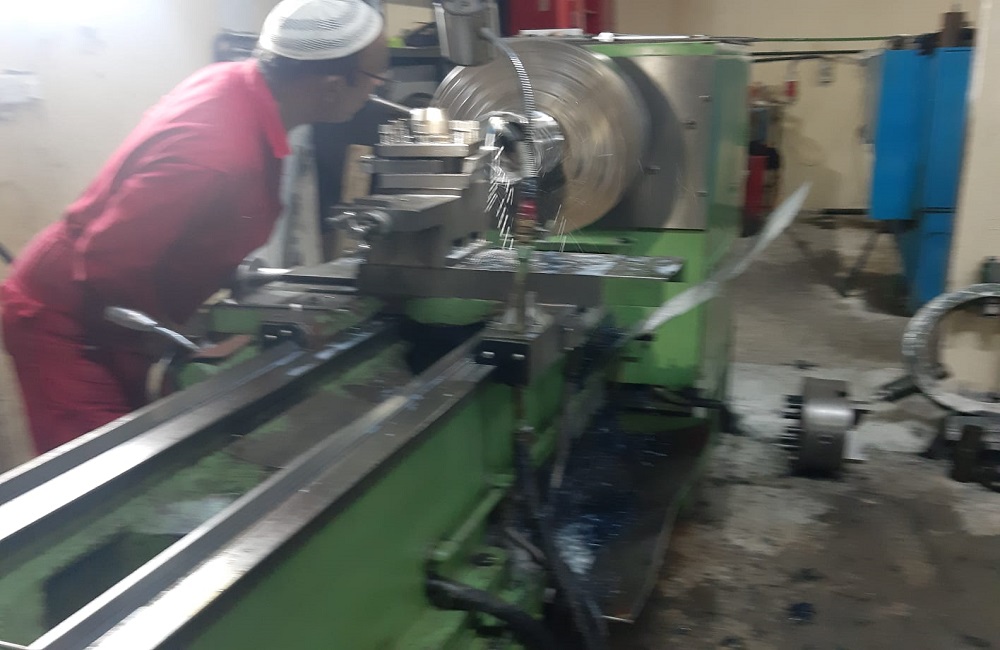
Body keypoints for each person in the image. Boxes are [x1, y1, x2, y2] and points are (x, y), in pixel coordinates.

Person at [0, 0, 389, 455]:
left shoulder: (236, 84)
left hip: (112, 313)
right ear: (331, 87)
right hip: (68, 323)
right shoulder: (216, 152)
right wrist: (181, 340)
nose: (377, 91)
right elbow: (106, 262)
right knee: (101, 481)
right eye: (375, 79)